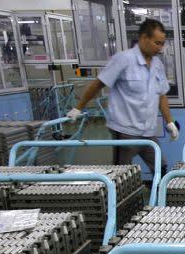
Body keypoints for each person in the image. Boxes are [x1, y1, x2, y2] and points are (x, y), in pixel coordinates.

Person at [66, 18, 178, 172]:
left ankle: (159, 195)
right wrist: (78, 108)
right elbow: (99, 83)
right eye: (157, 43)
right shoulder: (123, 59)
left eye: (162, 44)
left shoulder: (157, 65)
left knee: (162, 167)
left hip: (148, 131)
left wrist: (169, 122)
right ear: (144, 38)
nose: (160, 48)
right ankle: (119, 196)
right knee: (121, 174)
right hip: (125, 131)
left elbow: (161, 95)